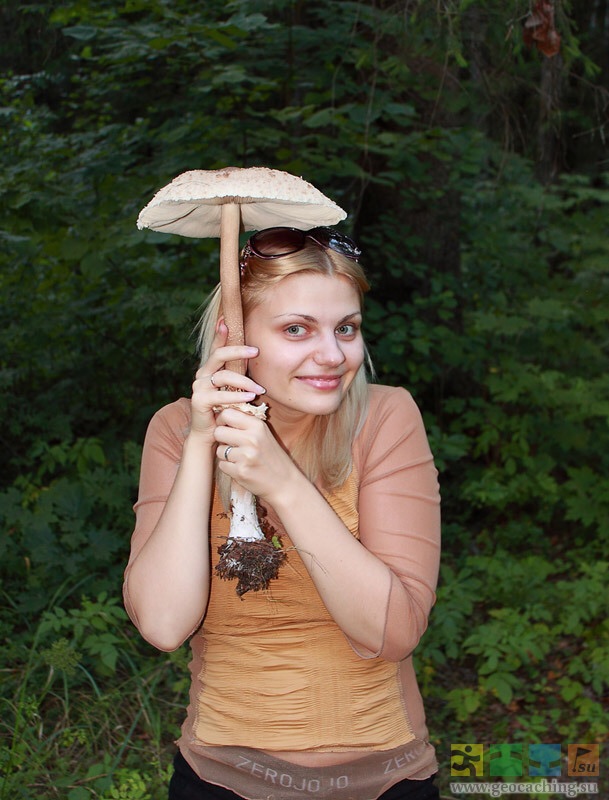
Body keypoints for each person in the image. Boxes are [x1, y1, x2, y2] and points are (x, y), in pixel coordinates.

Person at [123, 226, 441, 800]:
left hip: (382, 779)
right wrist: (201, 443)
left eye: (346, 328)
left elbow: (395, 631)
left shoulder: (385, 419)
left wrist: (284, 485)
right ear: (235, 335)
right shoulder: (175, 430)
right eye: (297, 329)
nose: (333, 355)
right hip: (221, 779)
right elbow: (164, 625)